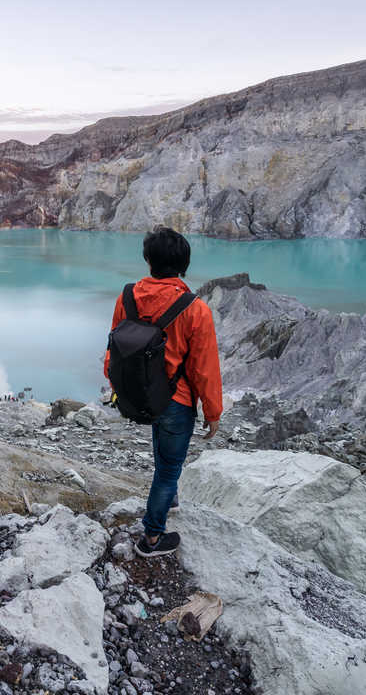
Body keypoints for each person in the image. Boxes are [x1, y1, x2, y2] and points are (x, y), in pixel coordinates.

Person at [104, 226, 223, 557]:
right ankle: (152, 538)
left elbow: (114, 347)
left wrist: (117, 387)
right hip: (177, 400)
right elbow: (204, 368)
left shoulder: (127, 296)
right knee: (169, 469)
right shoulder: (196, 310)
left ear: (147, 260)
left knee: (163, 455)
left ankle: (167, 498)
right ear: (184, 264)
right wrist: (213, 412)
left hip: (140, 394)